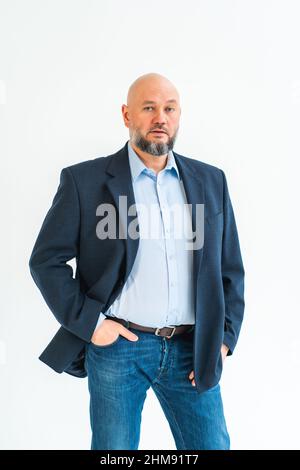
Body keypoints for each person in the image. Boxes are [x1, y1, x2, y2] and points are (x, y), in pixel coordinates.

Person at [29, 72, 245, 450]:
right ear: (127, 115)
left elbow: (229, 268)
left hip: (191, 350)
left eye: (169, 108)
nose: (160, 117)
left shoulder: (211, 181)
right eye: (149, 108)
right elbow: (47, 260)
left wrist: (223, 339)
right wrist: (93, 325)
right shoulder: (85, 182)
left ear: (178, 116)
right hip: (118, 349)